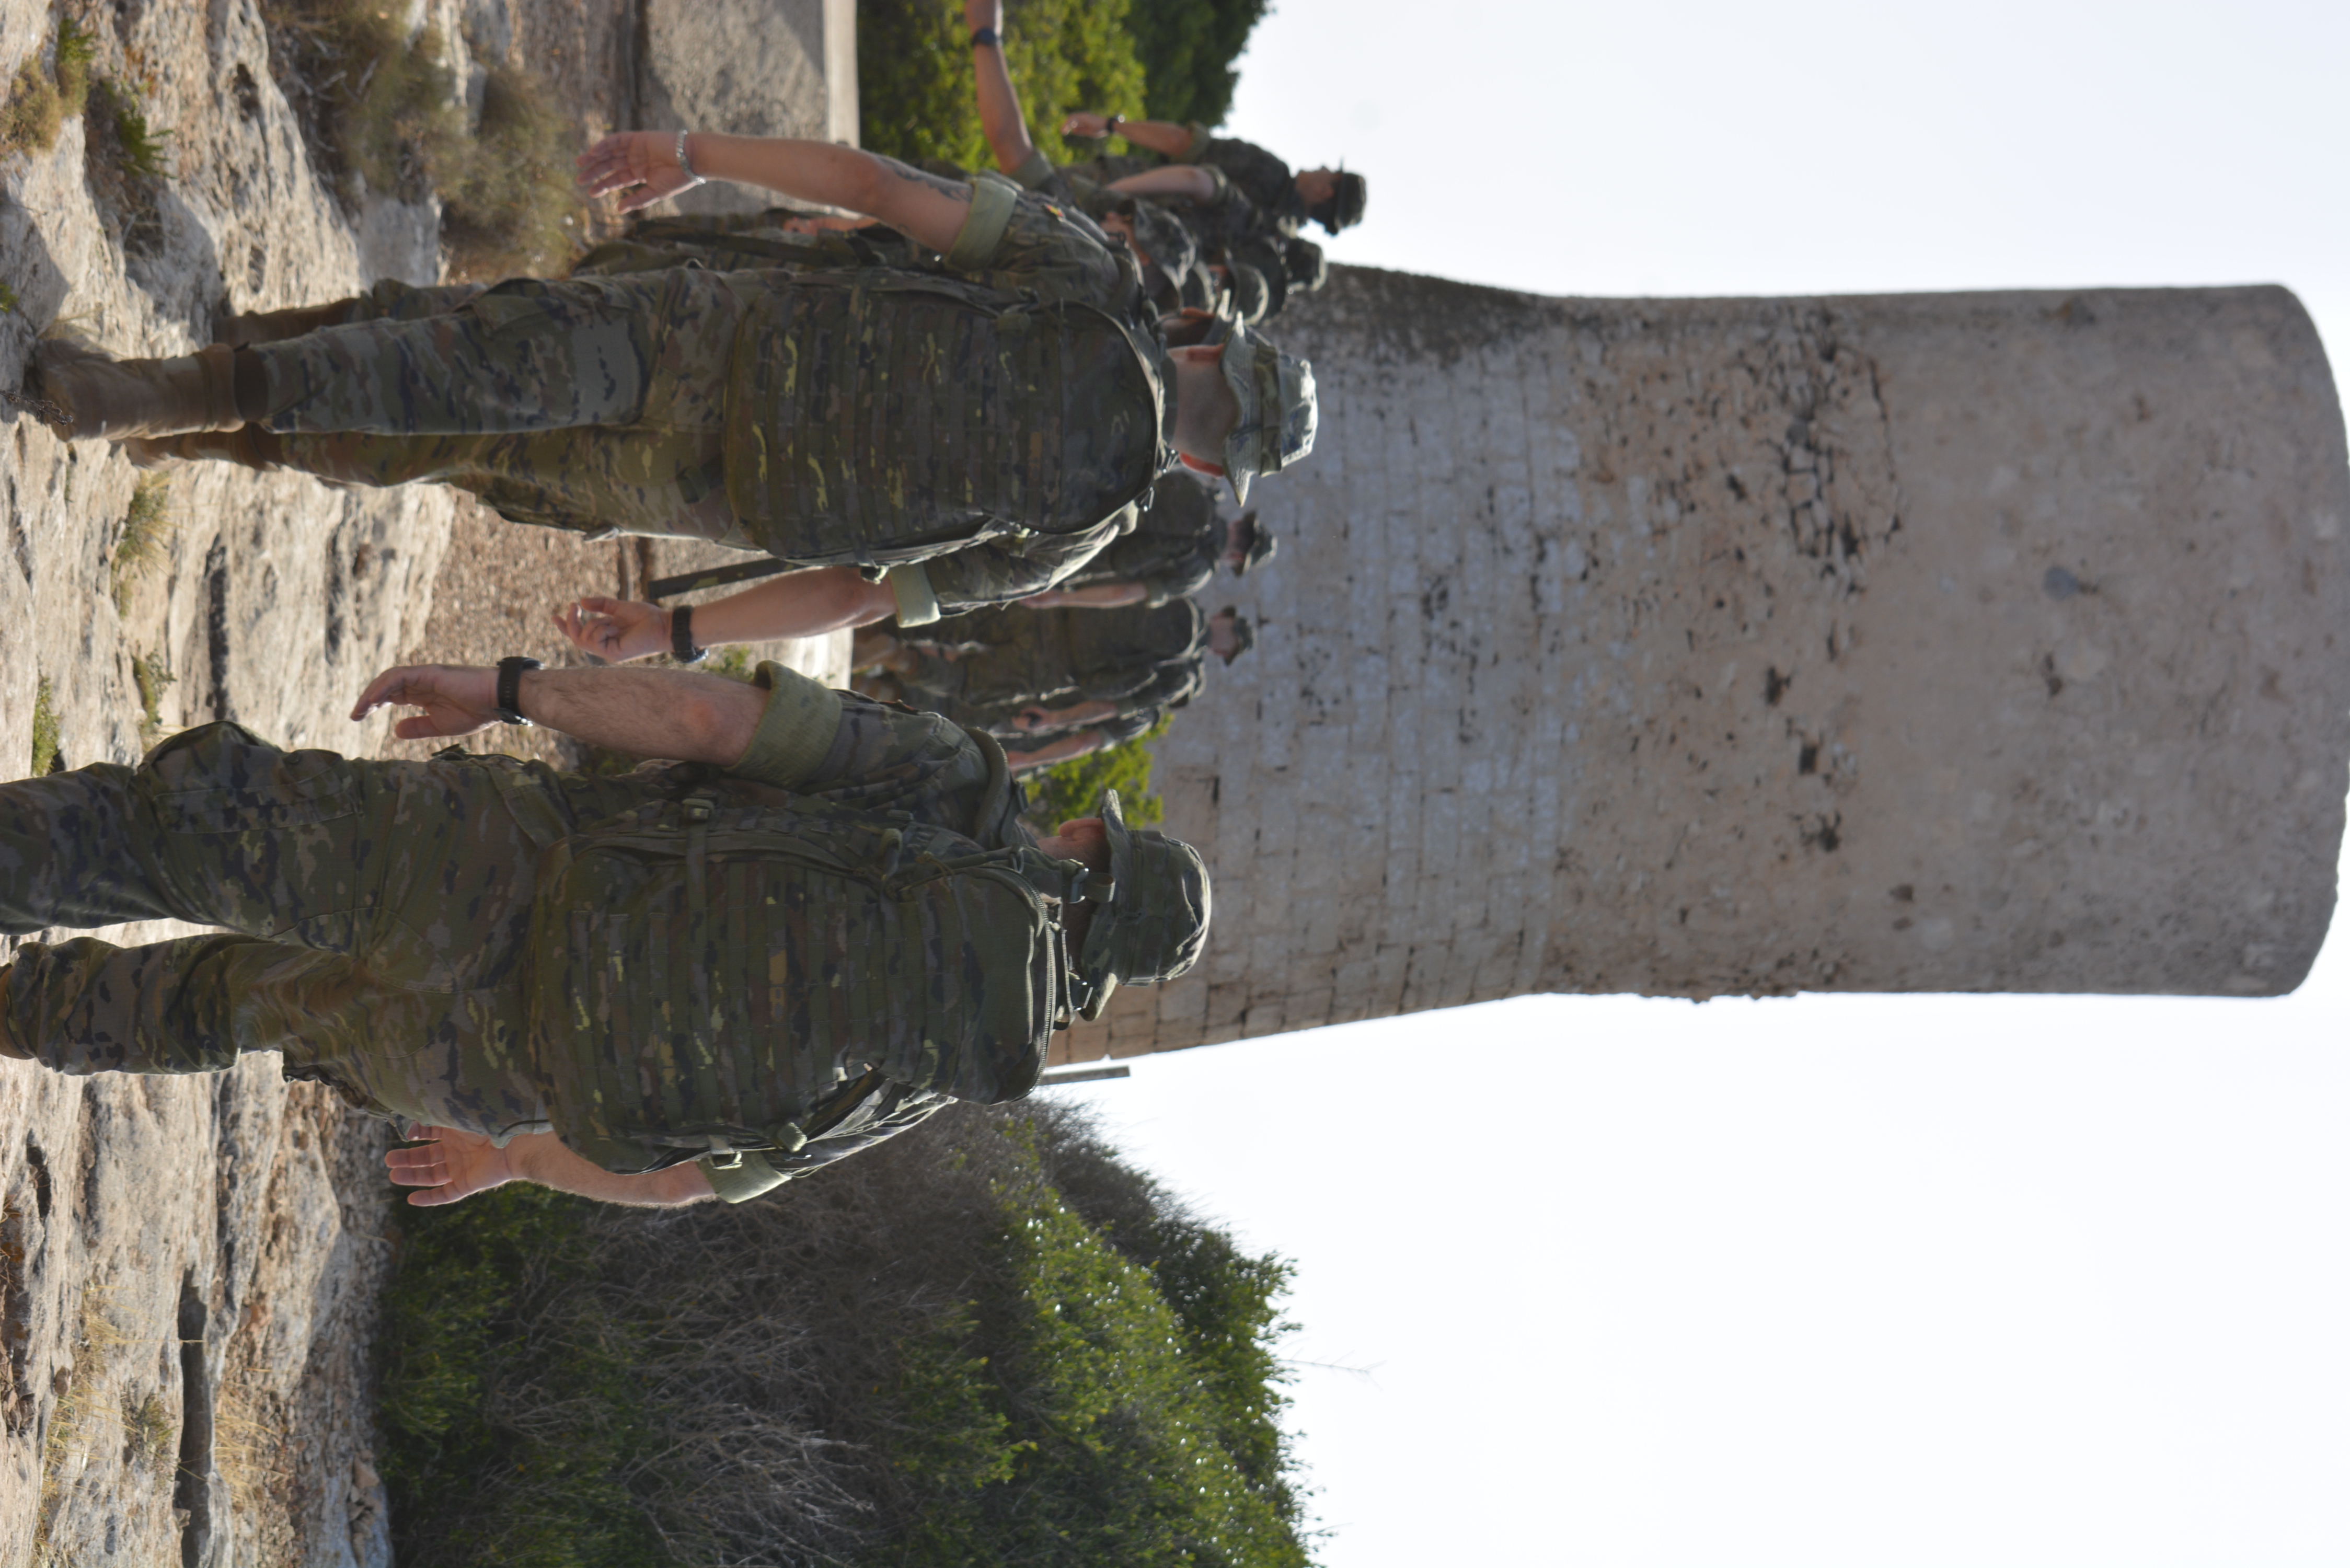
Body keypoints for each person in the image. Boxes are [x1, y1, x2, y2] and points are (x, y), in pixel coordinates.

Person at [0, 656, 1211, 1207]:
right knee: (236, 1000)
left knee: (187, 834)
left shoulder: (952, 794)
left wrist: (511, 690)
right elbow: (688, 1179)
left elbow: (702, 718)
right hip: (490, 1068)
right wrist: (511, 1157)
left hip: (501, 870)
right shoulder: (946, 1063)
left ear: (1084, 850)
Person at [24, 125, 1316, 635]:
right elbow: (858, 595)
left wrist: (693, 153)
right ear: (1208, 465)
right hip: (700, 487)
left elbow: (874, 189)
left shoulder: (1087, 275)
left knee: (460, 360)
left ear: (1204, 343)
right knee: (451, 438)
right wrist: (682, 634)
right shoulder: (1080, 533)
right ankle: (187, 420)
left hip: (712, 337)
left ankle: (155, 397)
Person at [853, 601, 1253, 771]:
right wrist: (1033, 753)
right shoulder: (1150, 701)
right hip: (1046, 684)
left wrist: (1059, 595)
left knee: (964, 625)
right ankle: (894, 663)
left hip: (1053, 614)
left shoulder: (1176, 598)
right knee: (964, 689)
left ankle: (876, 621)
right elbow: (1087, 736)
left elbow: (1114, 588)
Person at [1022, 473, 1273, 609]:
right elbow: (1123, 592)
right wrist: (1062, 599)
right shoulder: (1197, 573)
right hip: (1072, 557)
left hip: (1076, 501)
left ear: (1237, 523)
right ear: (1238, 558)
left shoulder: (1195, 490)